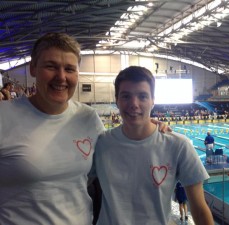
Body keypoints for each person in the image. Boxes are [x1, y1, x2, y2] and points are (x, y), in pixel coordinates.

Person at [0, 33, 170, 225]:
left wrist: (146, 125)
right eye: (51, 66)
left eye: (69, 69)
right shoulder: (4, 116)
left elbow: (119, 150)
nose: (61, 77)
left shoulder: (88, 117)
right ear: (33, 68)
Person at [91, 66, 214, 225]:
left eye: (142, 96)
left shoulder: (179, 146)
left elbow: (199, 209)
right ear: (117, 100)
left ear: (153, 100)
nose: (134, 104)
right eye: (126, 96)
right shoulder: (101, 143)